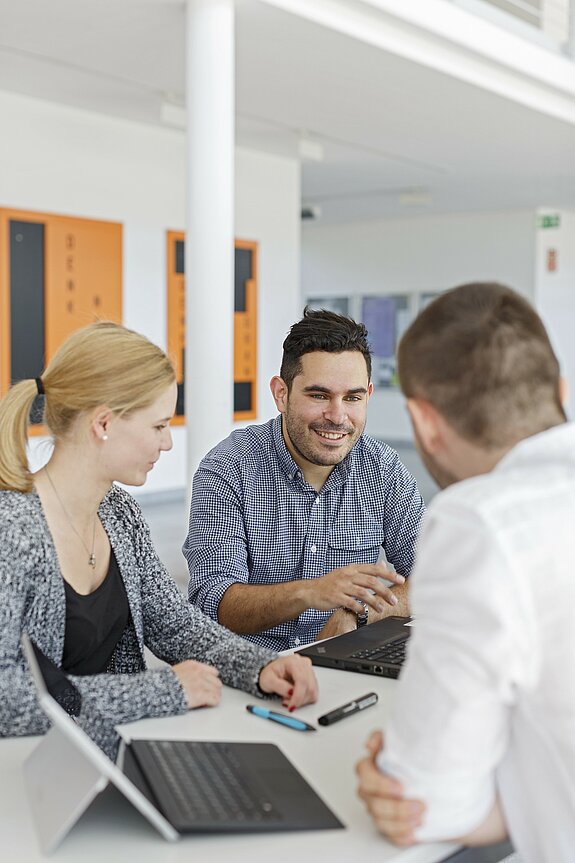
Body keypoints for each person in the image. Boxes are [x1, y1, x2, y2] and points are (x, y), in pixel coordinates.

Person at [0, 321, 317, 745]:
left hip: (98, 756)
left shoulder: (119, 513)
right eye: (157, 426)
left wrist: (257, 666)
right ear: (104, 423)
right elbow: (6, 698)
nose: (167, 443)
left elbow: (173, 625)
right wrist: (161, 690)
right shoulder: (12, 531)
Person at [356, 282, 575, 862]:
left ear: (424, 422)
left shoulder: (480, 522)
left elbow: (430, 804)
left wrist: (400, 770)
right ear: (560, 390)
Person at [184, 308, 425, 652]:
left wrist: (357, 614)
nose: (338, 416)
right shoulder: (228, 469)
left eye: (352, 398)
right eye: (319, 395)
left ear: (368, 395)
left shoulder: (383, 469)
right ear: (281, 394)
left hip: (347, 658)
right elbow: (214, 602)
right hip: (252, 668)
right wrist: (309, 592)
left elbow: (438, 576)